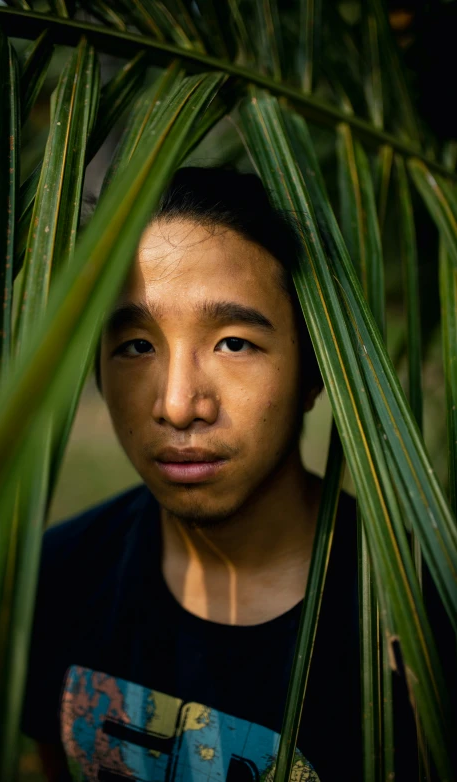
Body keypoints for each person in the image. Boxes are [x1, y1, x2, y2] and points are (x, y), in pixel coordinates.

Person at [22, 167, 416, 781]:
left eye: (233, 343)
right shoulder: (57, 582)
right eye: (137, 346)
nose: (178, 405)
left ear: (316, 370)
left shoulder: (417, 625)